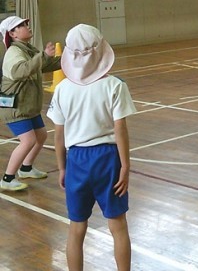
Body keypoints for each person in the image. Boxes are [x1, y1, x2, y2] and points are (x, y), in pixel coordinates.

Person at [47, 24, 135, 271]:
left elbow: (58, 136)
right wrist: (125, 166)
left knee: (76, 228)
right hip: (108, 159)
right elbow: (120, 129)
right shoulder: (115, 85)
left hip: (76, 159)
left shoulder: (62, 89)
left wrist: (62, 168)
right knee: (118, 225)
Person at [0, 16, 61, 192]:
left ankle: (26, 168)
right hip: (15, 107)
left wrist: (68, 60)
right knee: (28, 141)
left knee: (41, 136)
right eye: (21, 25)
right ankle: (7, 178)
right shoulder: (13, 52)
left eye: (26, 23)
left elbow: (42, 65)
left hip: (28, 107)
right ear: (12, 34)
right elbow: (21, 71)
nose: (27, 26)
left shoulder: (27, 49)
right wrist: (43, 55)